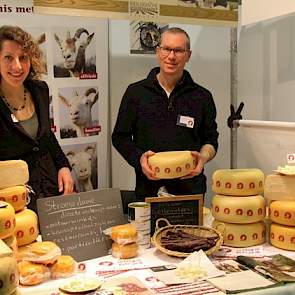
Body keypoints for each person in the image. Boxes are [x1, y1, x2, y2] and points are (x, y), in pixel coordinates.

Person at [112, 27, 218, 201]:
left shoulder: (202, 96)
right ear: (158, 51)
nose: (171, 56)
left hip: (190, 190)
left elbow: (211, 140)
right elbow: (119, 137)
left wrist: (203, 157)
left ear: (188, 55)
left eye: (179, 50)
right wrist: (139, 159)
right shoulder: (135, 93)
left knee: (191, 230)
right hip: (148, 190)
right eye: (166, 49)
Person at [0, 25, 74, 212]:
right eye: (8, 57)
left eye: (23, 57)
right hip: (14, 197)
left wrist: (63, 166)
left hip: (49, 186)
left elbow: (46, 135)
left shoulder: (39, 89)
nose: (17, 66)